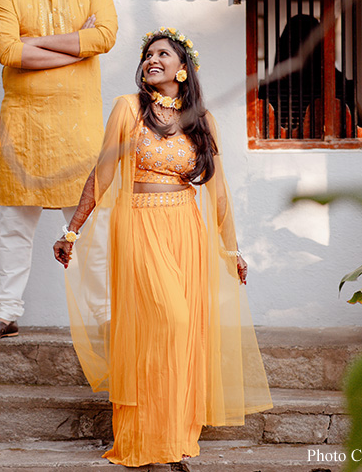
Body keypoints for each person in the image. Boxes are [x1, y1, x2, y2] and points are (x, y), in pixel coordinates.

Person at [54, 28, 272, 468]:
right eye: (148, 54)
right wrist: (72, 230)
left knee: (184, 337)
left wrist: (231, 251)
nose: (153, 59)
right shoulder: (128, 109)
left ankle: (172, 442)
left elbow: (219, 192)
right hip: (139, 226)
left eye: (163, 53)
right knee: (164, 324)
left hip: (186, 228)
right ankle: (145, 442)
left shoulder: (201, 119)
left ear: (183, 67)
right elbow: (102, 174)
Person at [0, 0, 118, 343]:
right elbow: (8, 52)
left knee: (89, 225)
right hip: (25, 125)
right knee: (15, 225)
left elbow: (104, 38)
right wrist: (77, 47)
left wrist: (34, 42)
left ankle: (105, 317)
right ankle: (7, 313)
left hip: (80, 125)